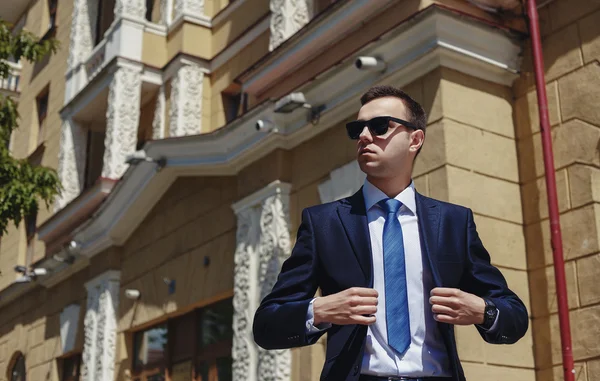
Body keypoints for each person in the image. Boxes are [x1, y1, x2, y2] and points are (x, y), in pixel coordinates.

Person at [253, 85, 528, 381]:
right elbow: (267, 325)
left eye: (380, 126)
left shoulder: (453, 222)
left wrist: (483, 310)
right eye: (358, 128)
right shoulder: (324, 223)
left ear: (415, 139)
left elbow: (514, 315)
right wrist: (320, 310)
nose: (364, 136)